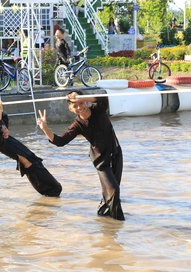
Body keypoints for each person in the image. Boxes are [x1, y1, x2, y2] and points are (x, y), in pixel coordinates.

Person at [37, 90, 125, 220]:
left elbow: (103, 98)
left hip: (116, 153)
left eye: (81, 103)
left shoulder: (99, 109)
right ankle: (119, 222)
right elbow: (60, 141)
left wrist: (79, 97)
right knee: (114, 190)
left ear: (86, 102)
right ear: (70, 109)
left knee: (110, 192)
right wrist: (45, 128)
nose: (79, 108)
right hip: (101, 161)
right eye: (75, 106)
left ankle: (103, 218)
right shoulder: (78, 125)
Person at [0, 99, 62, 197]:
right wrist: (0, 110)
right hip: (32, 171)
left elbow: (4, 118)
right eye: (3, 130)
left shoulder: (7, 137)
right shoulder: (0, 144)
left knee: (55, 190)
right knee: (55, 190)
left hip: (36, 163)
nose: (5, 131)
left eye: (6, 128)